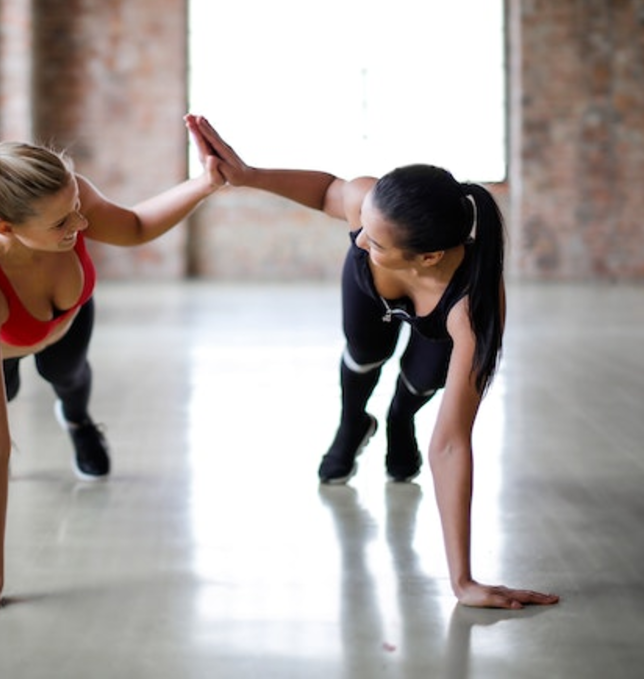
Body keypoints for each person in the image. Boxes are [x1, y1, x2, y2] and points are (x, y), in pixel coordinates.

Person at [186, 114, 559, 611]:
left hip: (437, 318)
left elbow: (451, 443)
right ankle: (352, 424)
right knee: (365, 356)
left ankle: (398, 421)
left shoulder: (474, 307)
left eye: (376, 242)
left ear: (428, 257)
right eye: (365, 228)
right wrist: (248, 175)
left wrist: (463, 580)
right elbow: (326, 193)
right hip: (370, 291)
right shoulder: (371, 209)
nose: (360, 239)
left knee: (420, 382)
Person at [0, 127, 225, 614]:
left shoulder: (65, 198)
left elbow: (134, 226)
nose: (80, 220)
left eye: (77, 205)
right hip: (1, 345)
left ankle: (77, 421)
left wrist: (207, 182)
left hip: (65, 318)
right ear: (5, 227)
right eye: (61, 223)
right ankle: (50, 401)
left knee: (70, 379)